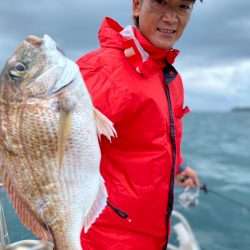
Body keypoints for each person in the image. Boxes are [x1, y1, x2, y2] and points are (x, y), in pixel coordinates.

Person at [77, 0, 201, 249]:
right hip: (104, 238)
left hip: (152, 235)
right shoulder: (100, 70)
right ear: (136, 6)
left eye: (182, 7)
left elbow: (152, 139)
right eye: (161, 3)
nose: (171, 17)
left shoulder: (169, 77)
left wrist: (178, 167)